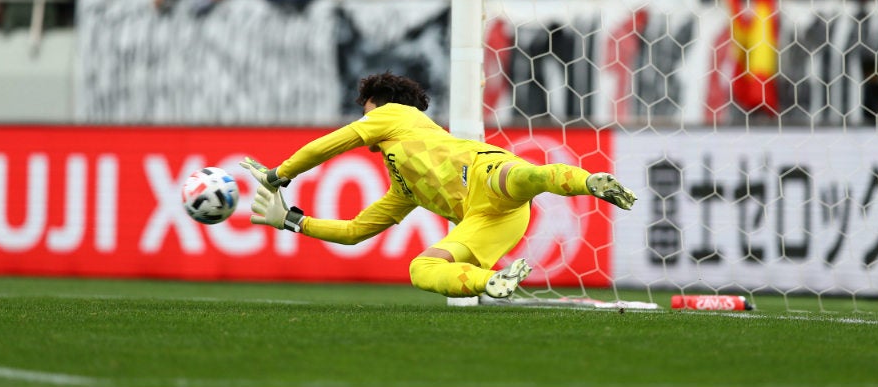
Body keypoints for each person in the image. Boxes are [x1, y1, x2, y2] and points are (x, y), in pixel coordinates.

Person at [241, 73, 636, 298]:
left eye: (365, 113)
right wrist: (291, 221)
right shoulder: (403, 190)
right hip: (488, 219)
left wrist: (280, 174)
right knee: (421, 268)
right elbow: (355, 232)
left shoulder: (394, 113)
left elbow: (331, 143)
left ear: (378, 106)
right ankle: (493, 282)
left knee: (523, 176)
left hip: (482, 171)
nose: (363, 122)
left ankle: (591, 181)